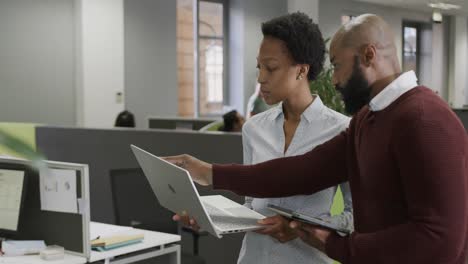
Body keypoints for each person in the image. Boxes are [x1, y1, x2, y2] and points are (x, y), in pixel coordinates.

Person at [167, 14, 468, 264]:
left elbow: (439, 242)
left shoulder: (424, 119)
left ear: (369, 55)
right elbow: (303, 171)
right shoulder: (369, 119)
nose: (334, 80)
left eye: (338, 66)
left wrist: (333, 245)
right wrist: (209, 173)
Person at [220, 12, 352, 264]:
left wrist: (303, 229)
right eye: (259, 67)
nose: (260, 78)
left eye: (271, 68)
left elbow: (355, 215)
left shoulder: (343, 131)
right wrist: (212, 219)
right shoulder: (253, 129)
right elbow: (251, 204)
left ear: (301, 71)